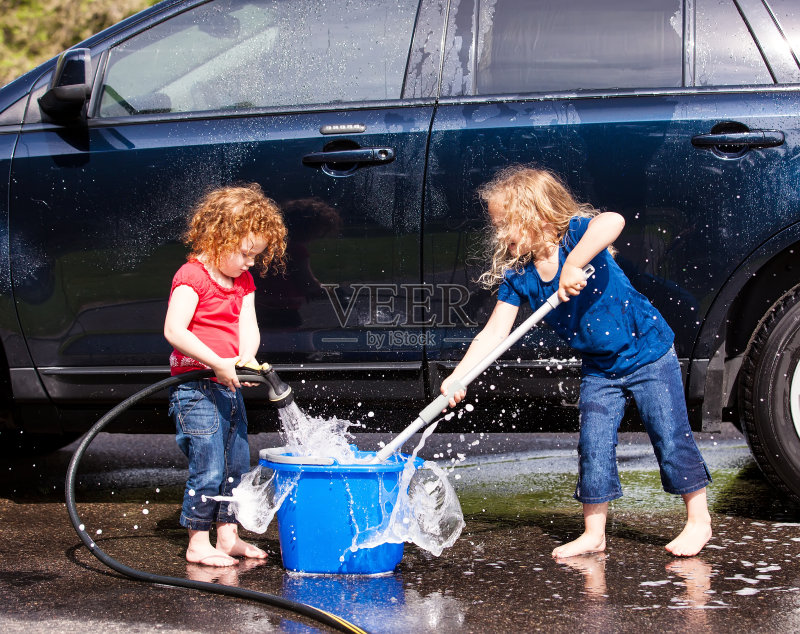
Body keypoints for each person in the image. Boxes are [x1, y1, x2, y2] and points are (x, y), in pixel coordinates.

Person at [441, 166, 712, 558]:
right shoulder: (520, 277)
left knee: (669, 434)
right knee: (594, 444)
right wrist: (459, 375)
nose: (499, 235)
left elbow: (613, 221)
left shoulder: (577, 236)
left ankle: (698, 520)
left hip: (648, 352)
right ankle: (593, 532)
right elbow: (493, 333)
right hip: (600, 368)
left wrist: (574, 264)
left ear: (536, 216)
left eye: (506, 225)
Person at [164, 183, 287, 567]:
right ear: (220, 237)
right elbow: (175, 331)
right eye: (246, 253)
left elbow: (248, 327)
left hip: (226, 384)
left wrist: (245, 357)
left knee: (236, 465)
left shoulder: (242, 281)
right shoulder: (192, 276)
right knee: (209, 464)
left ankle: (228, 536)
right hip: (195, 388)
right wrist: (217, 361)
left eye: (257, 255)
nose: (251, 263)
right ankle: (198, 541)